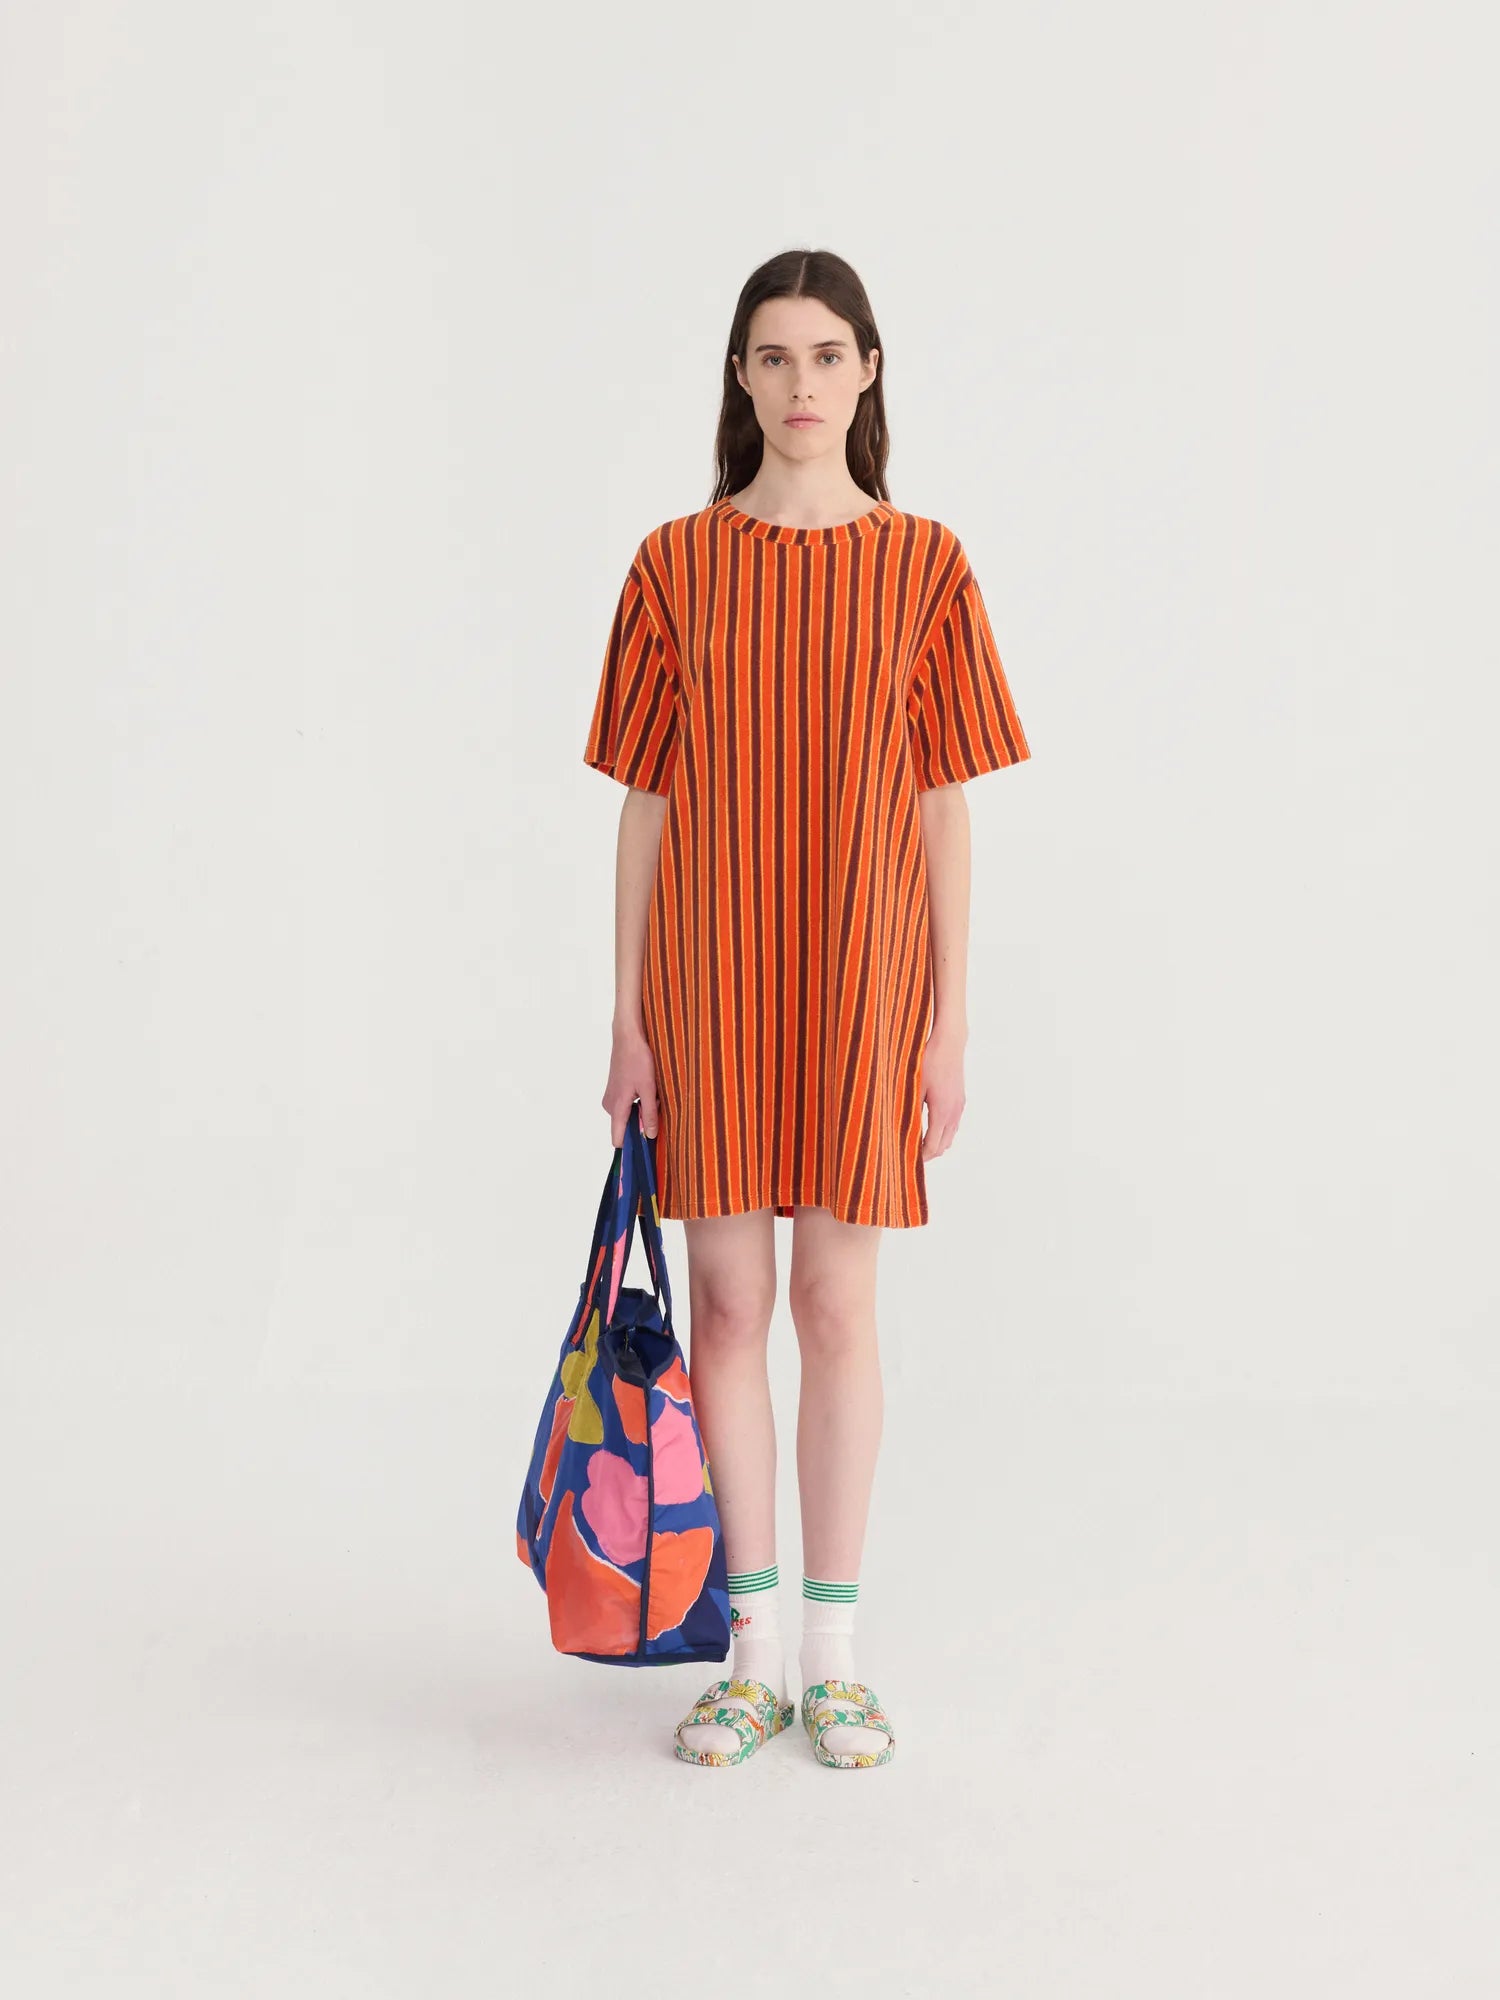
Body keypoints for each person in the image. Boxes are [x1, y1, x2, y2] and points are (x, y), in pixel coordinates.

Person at [582, 248, 1032, 1769]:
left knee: (836, 1305)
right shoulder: (673, 565)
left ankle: (833, 1652)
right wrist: (629, 1015)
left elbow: (945, 805)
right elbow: (645, 804)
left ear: (868, 372)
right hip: (710, 982)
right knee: (725, 1307)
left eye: (827, 355)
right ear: (740, 376)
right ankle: (752, 1649)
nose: (800, 384)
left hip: (861, 983)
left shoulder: (927, 565)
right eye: (772, 357)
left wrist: (946, 1022)